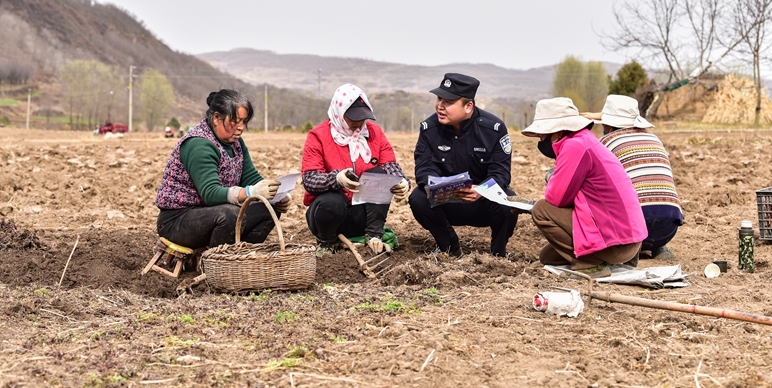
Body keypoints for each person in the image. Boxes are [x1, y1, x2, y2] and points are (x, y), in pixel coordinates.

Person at [522, 97, 647, 278]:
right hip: (630, 240)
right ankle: (602, 258)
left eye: (543, 133)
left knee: (540, 209)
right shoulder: (587, 140)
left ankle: (591, 265)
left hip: (616, 243)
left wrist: (553, 178)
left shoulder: (575, 146)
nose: (541, 138)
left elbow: (556, 199)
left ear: (558, 130)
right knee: (547, 256)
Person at [154, 89, 291, 249]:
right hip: (178, 219)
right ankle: (216, 263)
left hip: (210, 213)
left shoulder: (237, 144)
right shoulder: (199, 144)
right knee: (230, 215)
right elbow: (210, 193)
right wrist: (250, 193)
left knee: (269, 209)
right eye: (235, 121)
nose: (240, 128)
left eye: (244, 122)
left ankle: (239, 256)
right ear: (217, 118)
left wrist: (275, 194)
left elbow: (250, 177)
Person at [409, 73, 518, 258]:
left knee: (508, 200)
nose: (440, 106)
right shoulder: (429, 129)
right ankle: (449, 246)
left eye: (448, 102)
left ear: (468, 106)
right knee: (418, 198)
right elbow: (423, 169)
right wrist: (447, 186)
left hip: (481, 201)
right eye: (439, 98)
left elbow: (501, 173)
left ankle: (498, 253)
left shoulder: (494, 129)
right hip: (446, 199)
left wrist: (481, 190)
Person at [301, 84, 410, 256]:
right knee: (332, 201)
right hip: (330, 217)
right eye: (352, 118)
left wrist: (402, 180)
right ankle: (327, 242)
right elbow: (310, 179)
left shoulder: (374, 133)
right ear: (338, 113)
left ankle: (373, 235)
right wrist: (336, 179)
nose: (358, 123)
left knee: (380, 176)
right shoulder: (318, 136)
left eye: (362, 117)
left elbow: (390, 165)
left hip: (364, 215)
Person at [588, 94, 684, 261]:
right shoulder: (654, 139)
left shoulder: (606, 142)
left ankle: (631, 248)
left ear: (609, 124)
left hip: (634, 229)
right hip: (668, 228)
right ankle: (657, 246)